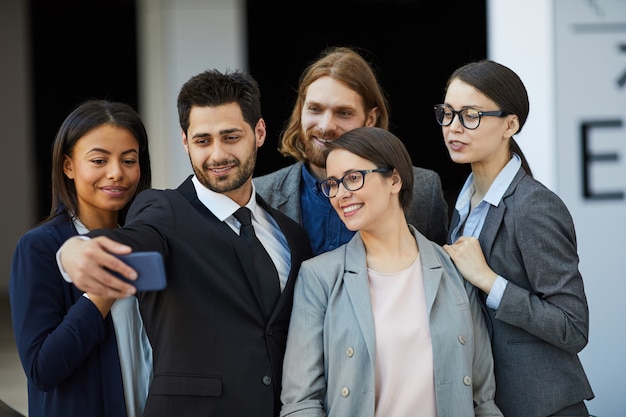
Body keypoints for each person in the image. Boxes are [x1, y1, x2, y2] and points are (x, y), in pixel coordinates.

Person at [55, 69, 313, 417]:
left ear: (259, 132)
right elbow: (134, 240)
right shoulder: (162, 210)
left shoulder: (291, 235)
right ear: (185, 141)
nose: (218, 154)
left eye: (231, 137)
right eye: (203, 140)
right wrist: (77, 249)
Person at [280, 126, 502, 417]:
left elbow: (482, 401)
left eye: (352, 178)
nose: (340, 194)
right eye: (332, 184)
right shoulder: (319, 277)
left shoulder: (455, 271)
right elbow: (301, 403)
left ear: (394, 180)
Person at [437, 60, 594, 417]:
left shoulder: (533, 205)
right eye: (447, 114)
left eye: (471, 115)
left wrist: (489, 281)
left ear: (510, 124)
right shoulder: (464, 202)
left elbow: (572, 327)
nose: (453, 127)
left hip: (544, 406)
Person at [9, 99, 153, 417]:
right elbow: (42, 368)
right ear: (68, 166)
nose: (116, 173)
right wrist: (102, 293)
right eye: (99, 160)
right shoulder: (40, 248)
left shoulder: (148, 241)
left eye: (129, 160)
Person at [254, 46, 449, 254]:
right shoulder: (260, 194)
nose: (325, 125)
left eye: (344, 113)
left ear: (370, 119)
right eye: (315, 109)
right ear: (300, 111)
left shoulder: (424, 191)